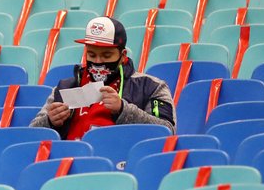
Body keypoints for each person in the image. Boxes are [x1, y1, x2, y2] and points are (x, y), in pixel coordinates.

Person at [30, 16, 175, 139]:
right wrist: (50, 121)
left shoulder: (150, 86)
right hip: (70, 158)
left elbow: (167, 131)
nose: (98, 61)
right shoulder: (65, 88)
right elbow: (32, 133)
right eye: (92, 55)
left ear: (123, 56)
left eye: (106, 55)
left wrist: (123, 110)